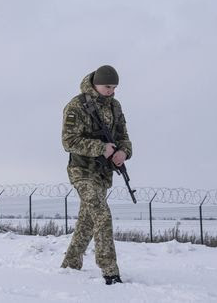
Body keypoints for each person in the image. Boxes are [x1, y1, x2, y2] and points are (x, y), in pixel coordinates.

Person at [60, 65, 132, 285]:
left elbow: (123, 137)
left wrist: (123, 153)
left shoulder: (115, 106)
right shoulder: (77, 105)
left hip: (102, 173)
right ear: (95, 84)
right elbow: (68, 141)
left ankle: (70, 265)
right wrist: (100, 148)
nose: (111, 91)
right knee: (101, 214)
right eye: (107, 86)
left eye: (114, 87)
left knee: (87, 221)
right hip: (81, 171)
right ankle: (109, 270)